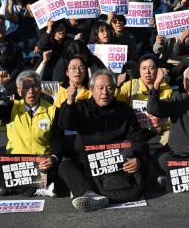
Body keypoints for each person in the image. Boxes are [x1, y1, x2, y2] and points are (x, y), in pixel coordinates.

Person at [58, 69, 148, 211]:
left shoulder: (124, 110)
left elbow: (137, 138)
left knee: (142, 165)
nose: (104, 93)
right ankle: (88, 193)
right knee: (65, 166)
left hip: (117, 164)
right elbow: (65, 124)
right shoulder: (82, 107)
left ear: (114, 90)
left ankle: (85, 191)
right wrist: (70, 101)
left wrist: (138, 158)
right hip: (88, 163)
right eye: (100, 88)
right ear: (92, 89)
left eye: (109, 88)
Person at [0, 70, 61, 196]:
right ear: (19, 91)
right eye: (26, 87)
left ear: (40, 89)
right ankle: (35, 188)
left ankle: (10, 186)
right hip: (17, 163)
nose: (31, 91)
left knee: (59, 168)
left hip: (41, 163)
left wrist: (52, 159)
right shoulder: (11, 107)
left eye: (34, 86)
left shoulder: (53, 110)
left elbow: (58, 140)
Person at [115, 54, 175, 148]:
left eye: (151, 68)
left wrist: (161, 127)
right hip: (136, 133)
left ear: (157, 70)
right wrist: (118, 85)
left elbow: (171, 119)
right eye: (143, 68)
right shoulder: (130, 85)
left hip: (161, 135)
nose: (147, 72)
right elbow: (115, 103)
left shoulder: (168, 89)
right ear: (139, 70)